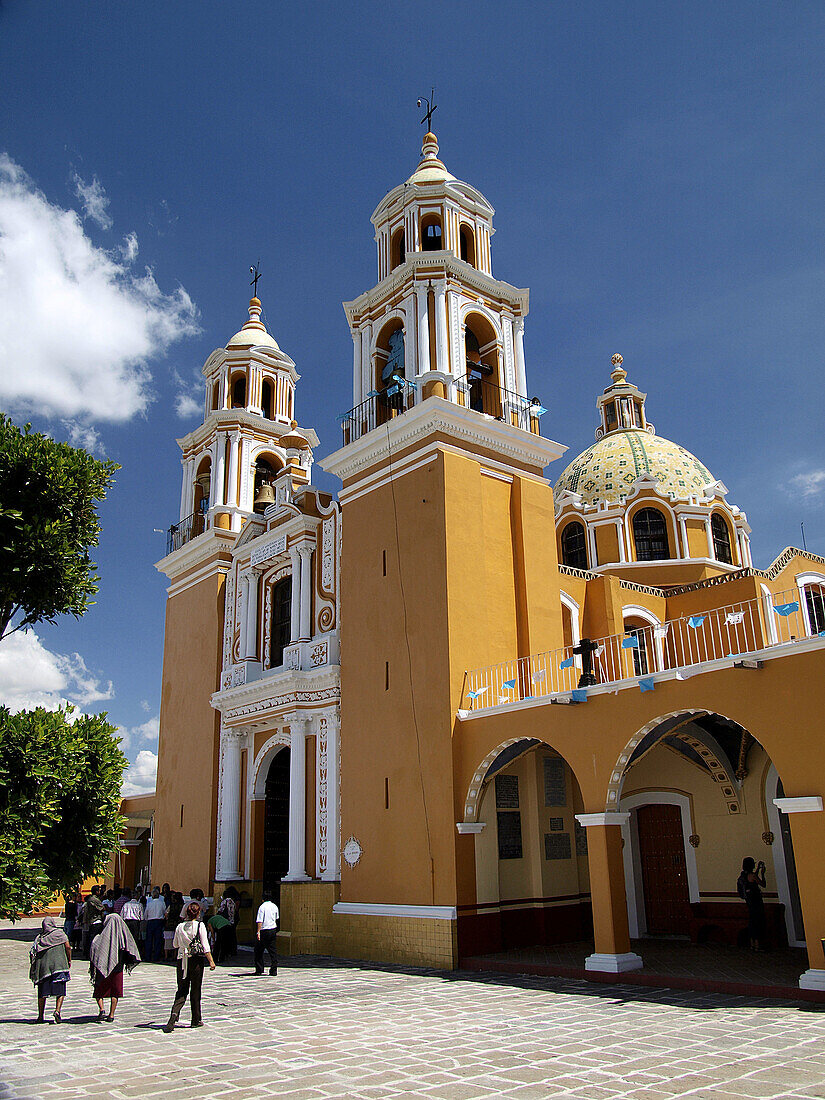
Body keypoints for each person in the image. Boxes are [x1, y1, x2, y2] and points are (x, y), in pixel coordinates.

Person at [163, 901, 215, 1032]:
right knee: (196, 989)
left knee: (181, 989)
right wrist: (211, 961)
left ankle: (174, 1014)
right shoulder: (200, 926)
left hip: (182, 960)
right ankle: (195, 1019)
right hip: (196, 960)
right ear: (198, 913)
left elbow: (175, 944)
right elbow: (205, 945)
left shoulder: (179, 927)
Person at [89, 912, 141, 1023]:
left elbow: (94, 948)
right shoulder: (123, 934)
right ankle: (111, 1014)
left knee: (99, 989)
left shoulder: (100, 937)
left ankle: (102, 1009)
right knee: (115, 991)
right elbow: (130, 947)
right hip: (118, 967)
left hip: (102, 967)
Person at [29, 917, 71, 1023]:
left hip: (44, 969)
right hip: (59, 966)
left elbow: (32, 952)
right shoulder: (60, 934)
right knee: (61, 991)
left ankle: (40, 1016)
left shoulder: (40, 938)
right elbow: (68, 947)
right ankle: (57, 1011)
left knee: (42, 993)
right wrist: (69, 960)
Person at [738, 856, 767, 950]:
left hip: (749, 902)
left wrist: (758, 869)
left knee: (752, 922)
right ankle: (758, 944)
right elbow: (763, 884)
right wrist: (762, 874)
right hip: (757, 901)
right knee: (758, 922)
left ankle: (752, 944)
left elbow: (751, 880)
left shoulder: (743, 876)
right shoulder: (753, 875)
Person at [254, 890, 279, 976]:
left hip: (264, 930)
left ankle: (259, 969)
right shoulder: (274, 906)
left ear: (263, 898)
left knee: (258, 950)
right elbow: (276, 918)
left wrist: (258, 932)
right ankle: (274, 969)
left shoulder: (262, 907)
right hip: (272, 929)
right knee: (273, 951)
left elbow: (260, 921)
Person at [144, 886, 168, 961]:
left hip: (150, 921)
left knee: (149, 940)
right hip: (159, 921)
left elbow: (146, 914)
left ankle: (148, 956)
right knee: (158, 940)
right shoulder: (162, 903)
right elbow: (165, 912)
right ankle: (156, 957)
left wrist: (146, 919)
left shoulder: (149, 904)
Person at [81, 886, 105, 958]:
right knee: (94, 939)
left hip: (92, 921)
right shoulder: (95, 900)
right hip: (95, 921)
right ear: (96, 891)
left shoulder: (90, 899)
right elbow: (102, 908)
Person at [218, 887, 239, 959]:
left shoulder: (225, 901)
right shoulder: (233, 902)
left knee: (225, 937)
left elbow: (221, 910)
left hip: (225, 921)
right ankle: (233, 951)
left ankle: (225, 952)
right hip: (232, 921)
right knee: (233, 936)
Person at [164, 892, 184, 961]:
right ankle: (175, 955)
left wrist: (167, 919)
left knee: (167, 940)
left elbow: (166, 914)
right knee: (177, 940)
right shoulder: (182, 906)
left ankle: (166, 956)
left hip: (170, 924)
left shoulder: (171, 906)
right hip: (178, 924)